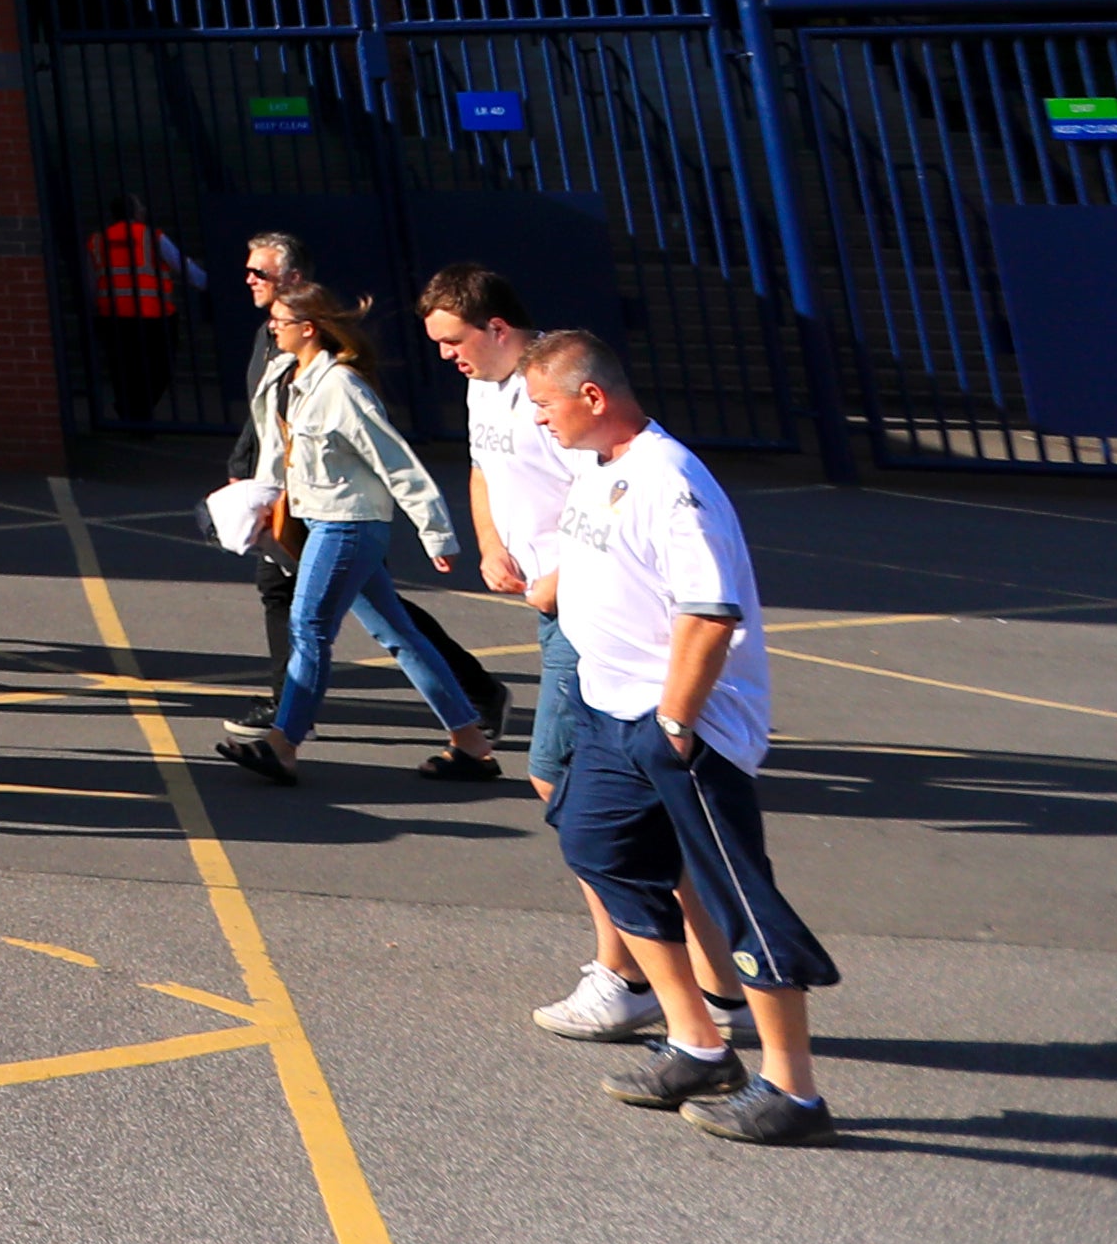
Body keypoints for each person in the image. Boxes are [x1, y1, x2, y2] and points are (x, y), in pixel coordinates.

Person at [527, 328, 834, 1143]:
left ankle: (794, 1091)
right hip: (607, 713)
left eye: (545, 405)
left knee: (739, 902)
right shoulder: (599, 469)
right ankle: (696, 1043)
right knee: (597, 846)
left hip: (680, 725)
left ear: (592, 397)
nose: (539, 421)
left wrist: (675, 720)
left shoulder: (670, 479)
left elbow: (708, 610)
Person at [424, 262, 668, 1043]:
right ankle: (674, 963)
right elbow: (482, 468)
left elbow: (606, 480)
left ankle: (627, 972)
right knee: (598, 788)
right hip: (551, 602)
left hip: (582, 602)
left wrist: (562, 574)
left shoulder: (552, 388)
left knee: (563, 781)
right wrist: (493, 544)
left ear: (497, 328)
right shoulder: (483, 388)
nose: (446, 357)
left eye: (454, 341)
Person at [215, 278, 497, 785]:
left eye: (280, 321)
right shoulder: (286, 376)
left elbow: (396, 461)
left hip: (349, 523)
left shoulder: (342, 387)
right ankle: (473, 746)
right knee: (399, 634)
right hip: (320, 518)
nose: (271, 329)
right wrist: (263, 499)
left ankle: (283, 745)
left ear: (309, 328)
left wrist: (436, 533)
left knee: (309, 627)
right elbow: (279, 450)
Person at [86, 193, 202, 427]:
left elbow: (90, 280)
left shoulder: (97, 241)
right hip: (153, 315)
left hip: (113, 315)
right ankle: (140, 413)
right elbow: (184, 267)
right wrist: (210, 284)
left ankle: (132, 413)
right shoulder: (150, 236)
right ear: (136, 212)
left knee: (124, 369)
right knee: (159, 367)